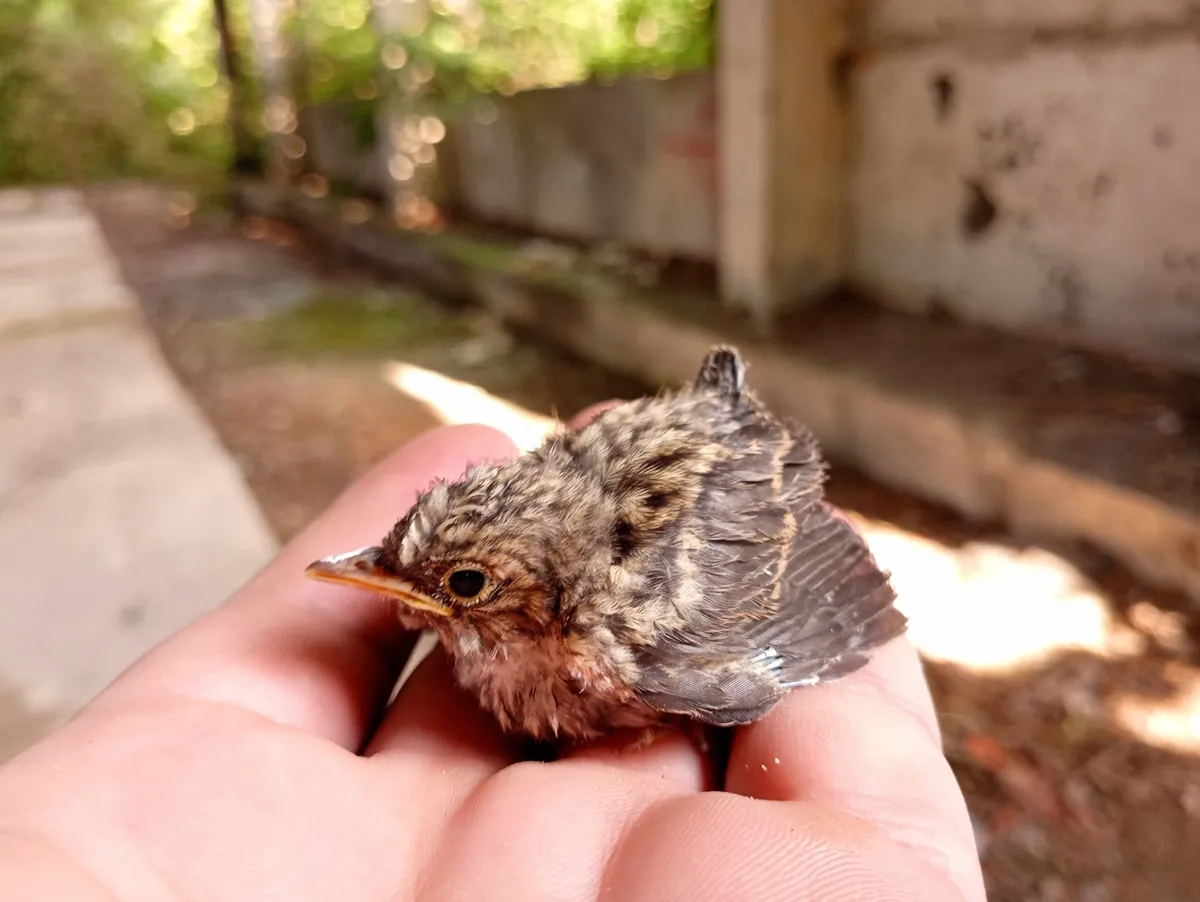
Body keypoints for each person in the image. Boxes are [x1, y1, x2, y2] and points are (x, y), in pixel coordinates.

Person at [0, 405, 986, 901]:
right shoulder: (535, 580)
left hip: (731, 473)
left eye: (464, 586)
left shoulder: (637, 632)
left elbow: (816, 572)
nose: (419, 595)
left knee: (732, 681)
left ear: (546, 611)